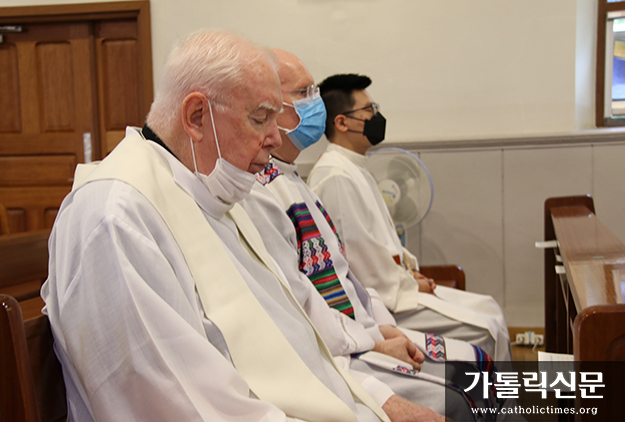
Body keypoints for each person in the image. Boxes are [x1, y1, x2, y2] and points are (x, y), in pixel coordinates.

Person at [40, 31, 439, 422]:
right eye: (260, 118)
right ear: (196, 117)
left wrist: (377, 401)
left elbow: (299, 335)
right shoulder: (116, 217)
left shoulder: (220, 195)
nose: (275, 138)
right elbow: (177, 401)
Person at [241, 49, 506, 422]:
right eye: (304, 93)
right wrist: (375, 336)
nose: (315, 102)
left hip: (363, 325)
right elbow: (307, 297)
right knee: (469, 380)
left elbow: (345, 272)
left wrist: (379, 326)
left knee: (480, 359)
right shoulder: (268, 188)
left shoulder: (293, 178)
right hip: (345, 347)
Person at [307, 74, 511, 362]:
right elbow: (360, 261)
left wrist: (411, 273)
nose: (376, 116)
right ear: (341, 123)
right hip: (382, 306)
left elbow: (383, 242)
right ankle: (489, 391)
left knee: (490, 308)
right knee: (486, 329)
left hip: (397, 286)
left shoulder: (354, 167)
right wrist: (410, 285)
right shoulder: (336, 176)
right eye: (369, 110)